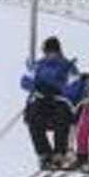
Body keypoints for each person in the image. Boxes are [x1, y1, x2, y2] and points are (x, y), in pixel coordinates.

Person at [19, 36, 77, 169]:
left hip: (59, 101)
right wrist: (37, 87)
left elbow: (75, 86)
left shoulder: (67, 66)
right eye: (47, 53)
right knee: (33, 117)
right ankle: (44, 153)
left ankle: (59, 153)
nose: (50, 56)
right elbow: (25, 80)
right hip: (42, 99)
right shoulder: (39, 65)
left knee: (61, 117)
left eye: (52, 53)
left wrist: (58, 89)